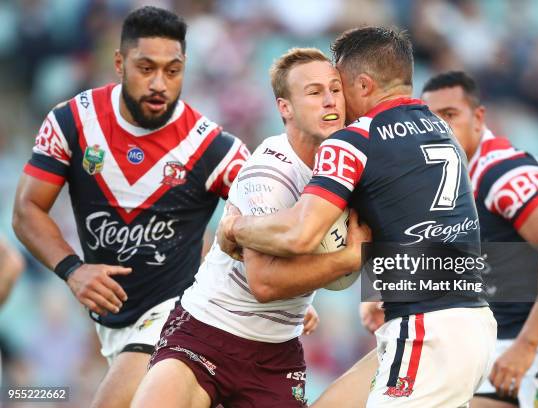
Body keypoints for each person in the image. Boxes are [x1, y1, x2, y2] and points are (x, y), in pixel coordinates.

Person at [219, 27, 497, 407]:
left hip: (425, 328)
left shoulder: (354, 141)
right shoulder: (442, 130)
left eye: (339, 87)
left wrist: (236, 226)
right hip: (472, 323)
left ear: (363, 85)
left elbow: (300, 235)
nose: (335, 100)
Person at [313, 71, 538, 408]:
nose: (442, 126)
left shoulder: (501, 172)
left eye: (451, 115)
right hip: (489, 344)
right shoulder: (429, 178)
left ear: (479, 118)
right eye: (434, 117)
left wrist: (527, 344)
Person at [11, 6, 250, 408]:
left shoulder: (212, 147)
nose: (159, 83)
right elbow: (26, 210)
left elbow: (267, 219)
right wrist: (73, 270)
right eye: (146, 68)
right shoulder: (73, 122)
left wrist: (284, 297)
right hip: (113, 328)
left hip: (182, 314)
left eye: (172, 71)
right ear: (120, 64)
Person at [132, 47, 370, 408]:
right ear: (284, 108)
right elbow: (263, 282)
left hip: (275, 356)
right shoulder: (271, 171)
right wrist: (348, 259)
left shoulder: (350, 170)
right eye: (313, 92)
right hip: (207, 331)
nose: (329, 101)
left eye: (334, 89)